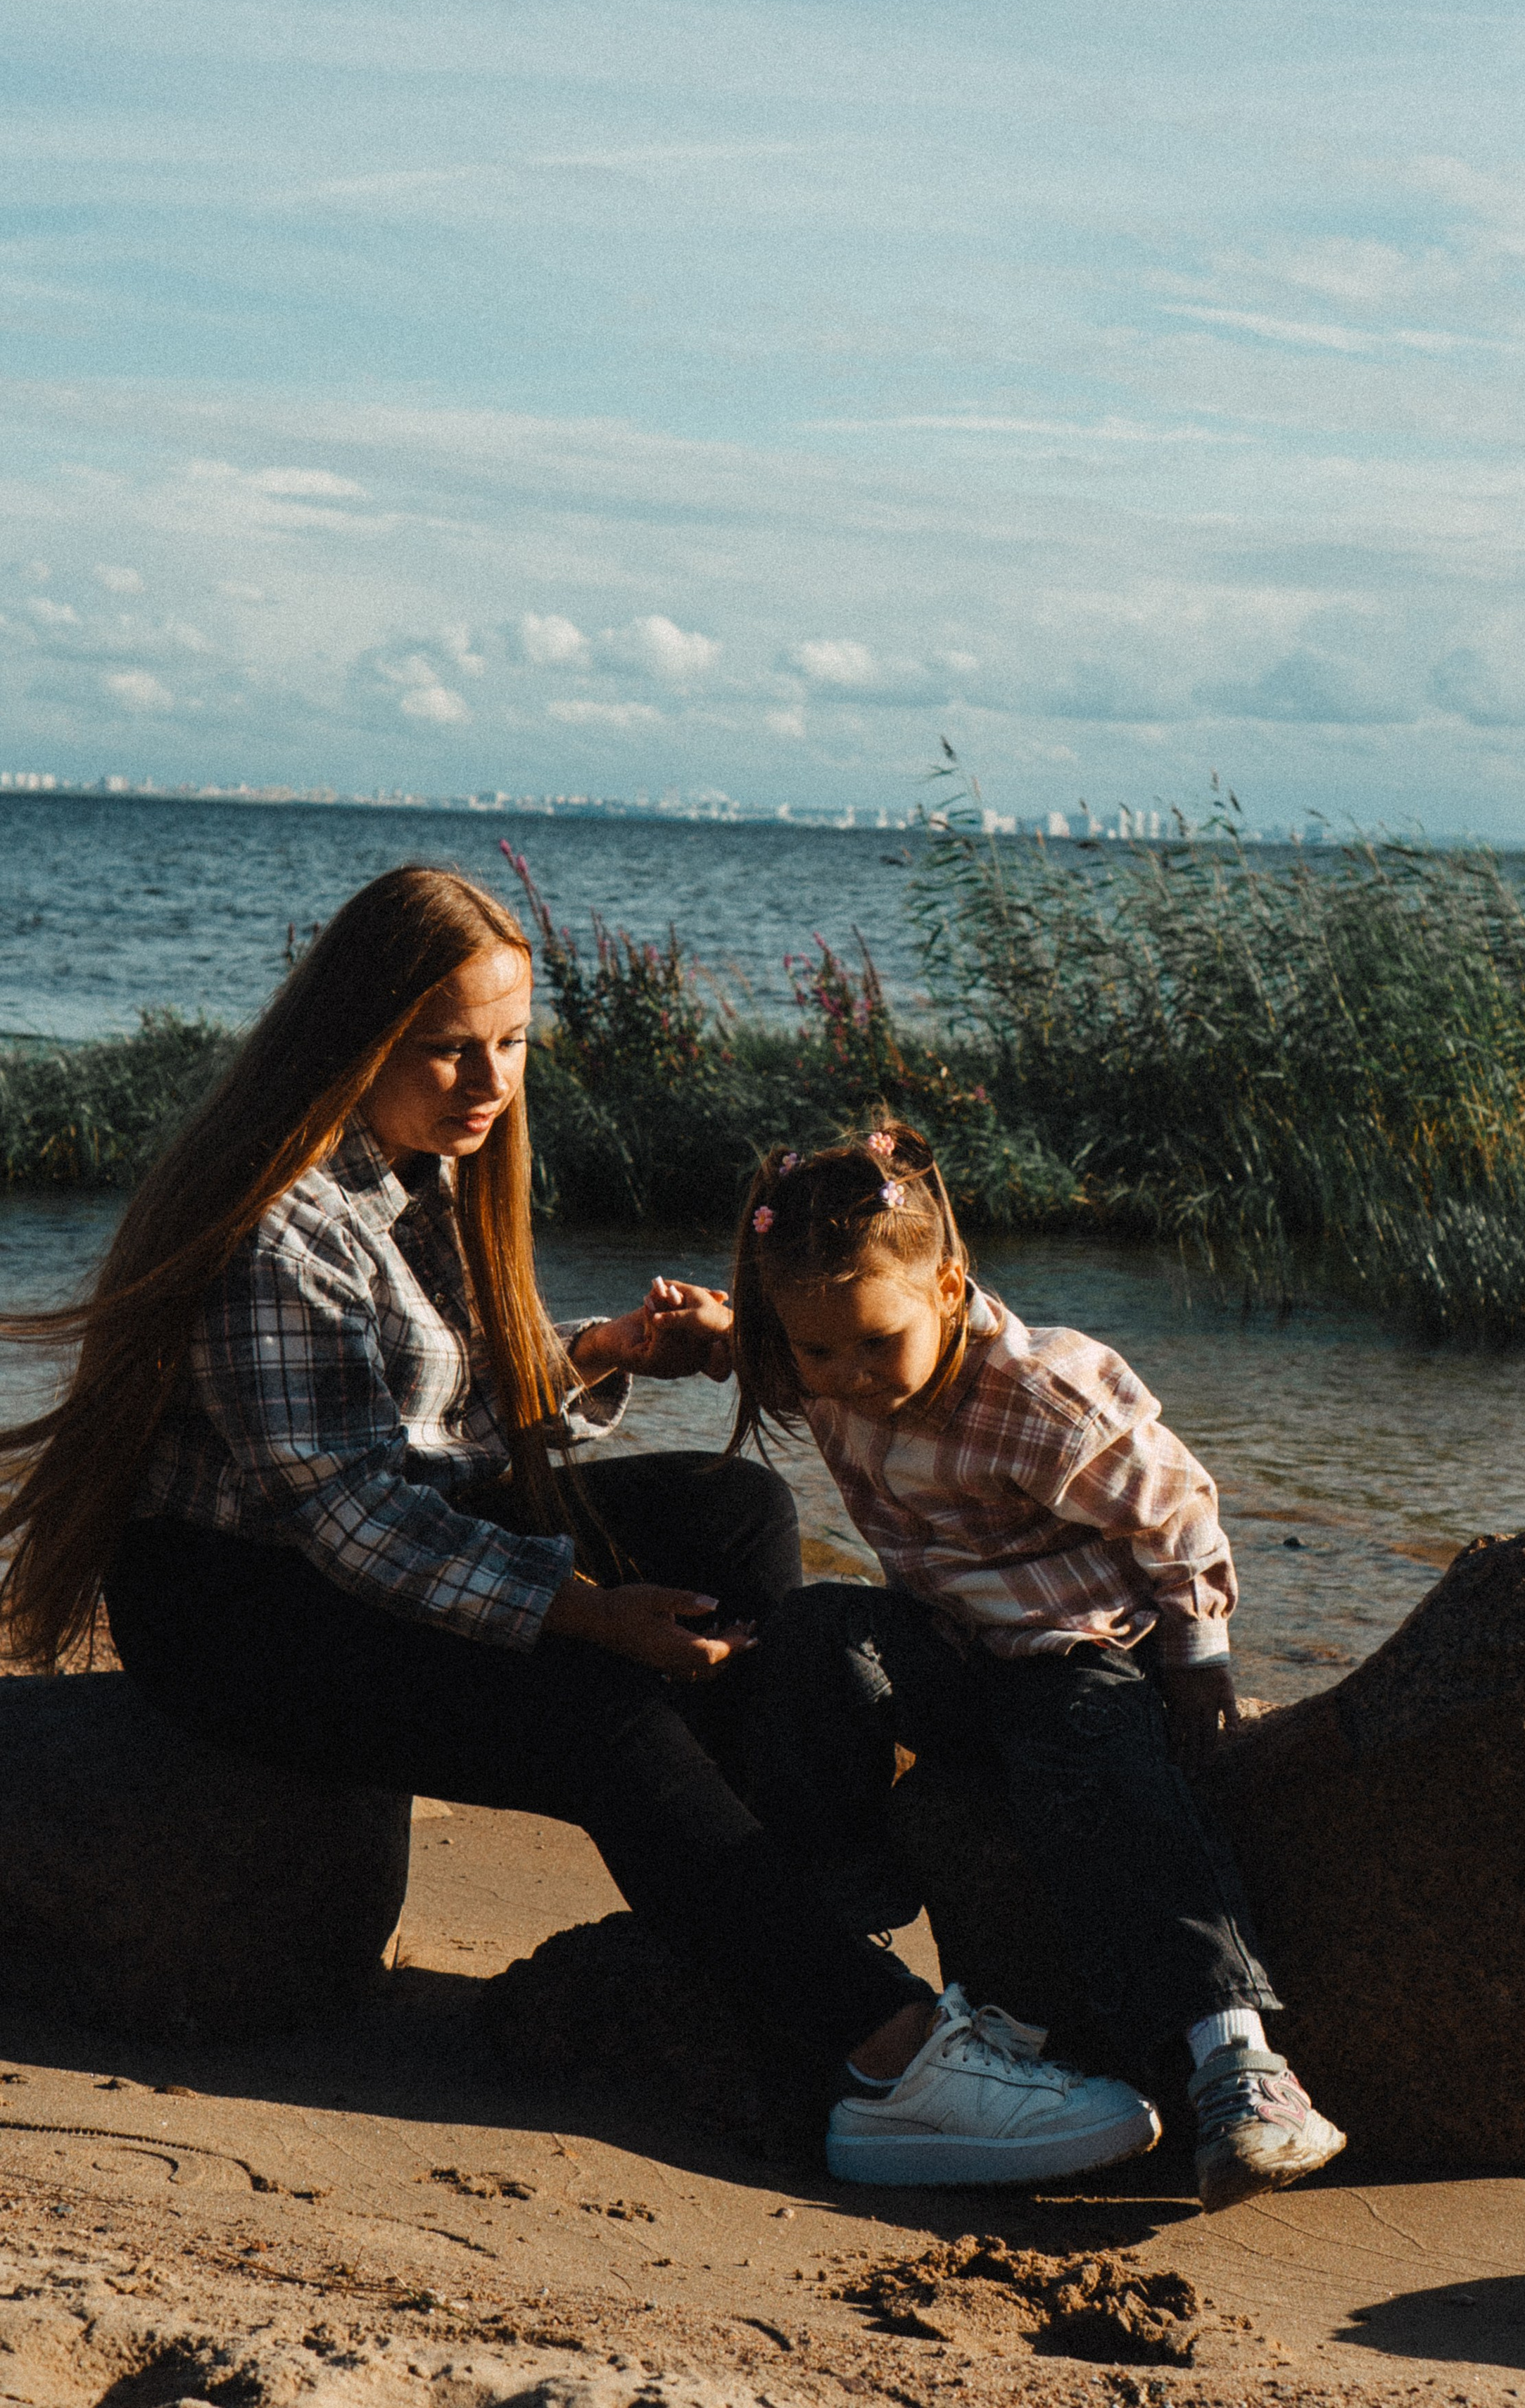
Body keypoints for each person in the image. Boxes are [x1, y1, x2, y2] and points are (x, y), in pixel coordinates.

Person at [0, 866, 1156, 2189]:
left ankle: (788, 1913)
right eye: (448, 1048)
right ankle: (888, 2057)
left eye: (511, 1044)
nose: (489, 1080)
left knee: (733, 1510)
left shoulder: (421, 1169)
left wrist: (600, 1353)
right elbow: (352, 1512)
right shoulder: (280, 1229)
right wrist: (583, 1611)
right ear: (355, 1042)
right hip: (241, 1609)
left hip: (367, 1538)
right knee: (594, 1713)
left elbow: (427, 1407)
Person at [717, 1121, 1348, 2207]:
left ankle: (1238, 2061)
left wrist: (1201, 1657)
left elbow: (1178, 1511)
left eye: (875, 1345)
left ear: (947, 1288)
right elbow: (748, 1345)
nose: (849, 1378)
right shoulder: (819, 1353)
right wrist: (652, 1338)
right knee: (814, 1635)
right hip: (953, 1651)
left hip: (1081, 1652)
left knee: (1104, 1779)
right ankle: (853, 1897)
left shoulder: (1043, 1392)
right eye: (819, 1353)